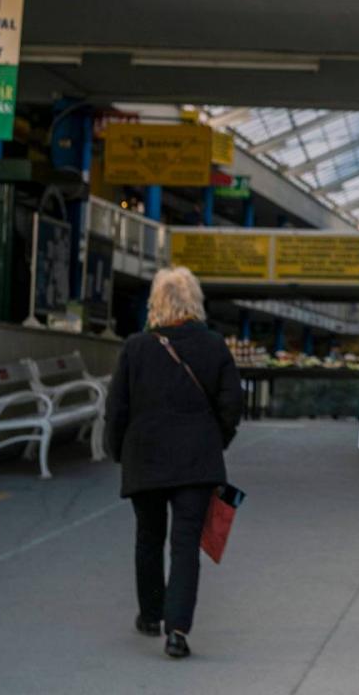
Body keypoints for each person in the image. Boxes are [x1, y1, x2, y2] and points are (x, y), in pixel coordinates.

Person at [104, 266, 243, 660]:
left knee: (148, 537)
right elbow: (232, 404)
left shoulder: (136, 347)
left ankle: (150, 615)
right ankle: (177, 631)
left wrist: (118, 451)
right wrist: (216, 441)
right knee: (185, 545)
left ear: (156, 303)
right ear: (194, 301)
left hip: (145, 457)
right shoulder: (213, 346)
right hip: (196, 459)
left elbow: (117, 408)